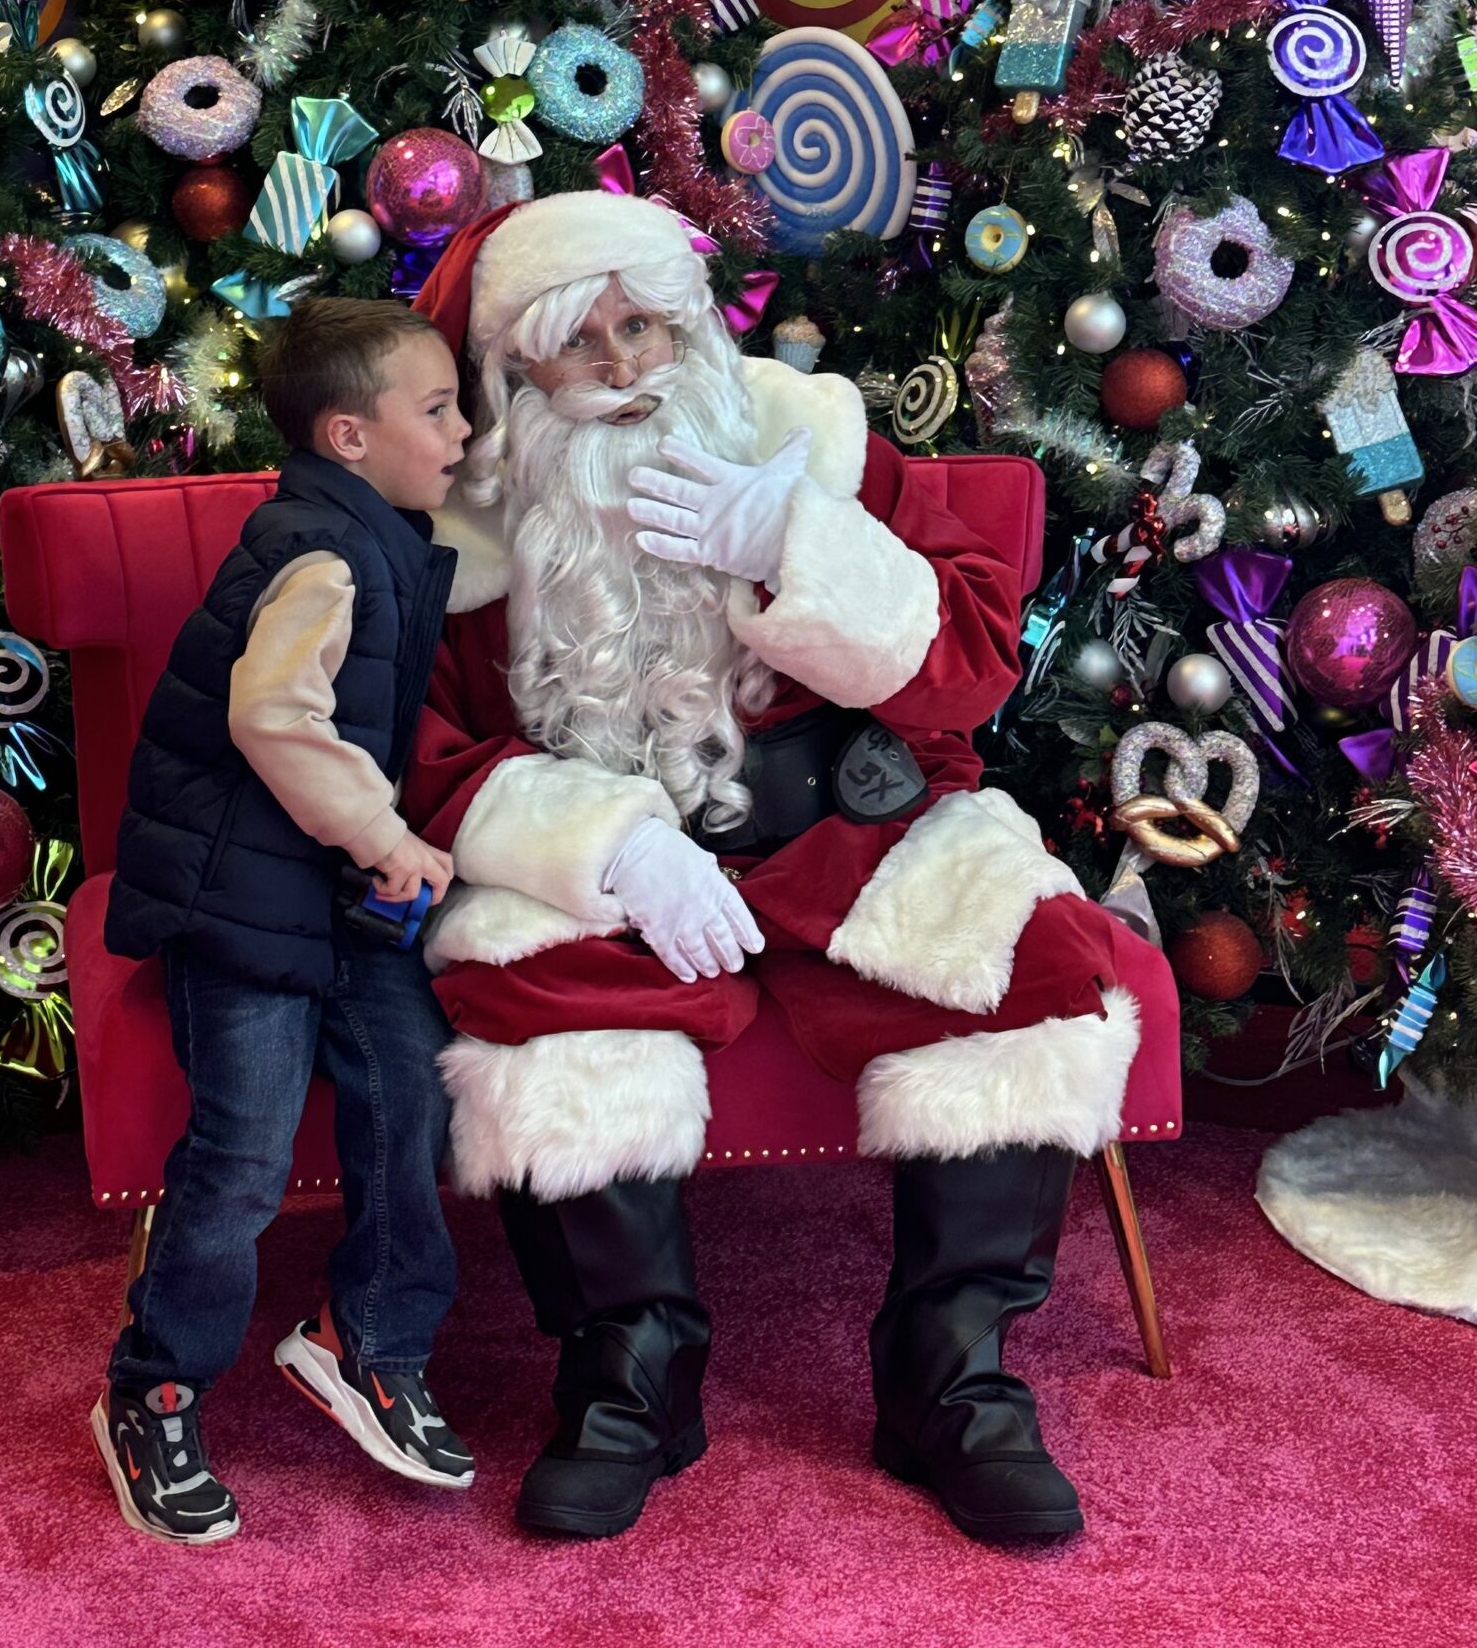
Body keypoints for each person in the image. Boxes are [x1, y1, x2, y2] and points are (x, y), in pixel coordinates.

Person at [401, 193, 1181, 1543]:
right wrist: (606, 846)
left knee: (1038, 961)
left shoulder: (806, 436)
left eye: (645, 325)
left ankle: (953, 1377)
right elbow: (415, 752)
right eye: (580, 344)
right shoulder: (458, 527)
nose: (627, 368)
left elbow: (977, 660)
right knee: (533, 1003)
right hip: (627, 861)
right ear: (512, 369)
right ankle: (628, 1375)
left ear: (689, 322)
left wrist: (798, 545)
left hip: (852, 825)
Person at [93, 296, 477, 1543]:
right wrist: (385, 838)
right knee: (244, 1160)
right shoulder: (321, 551)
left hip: (324, 898)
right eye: (436, 409)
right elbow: (273, 717)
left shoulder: (377, 529)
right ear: (348, 435)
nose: (462, 430)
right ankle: (150, 1391)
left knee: (409, 1089)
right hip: (242, 900)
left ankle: (365, 1340)